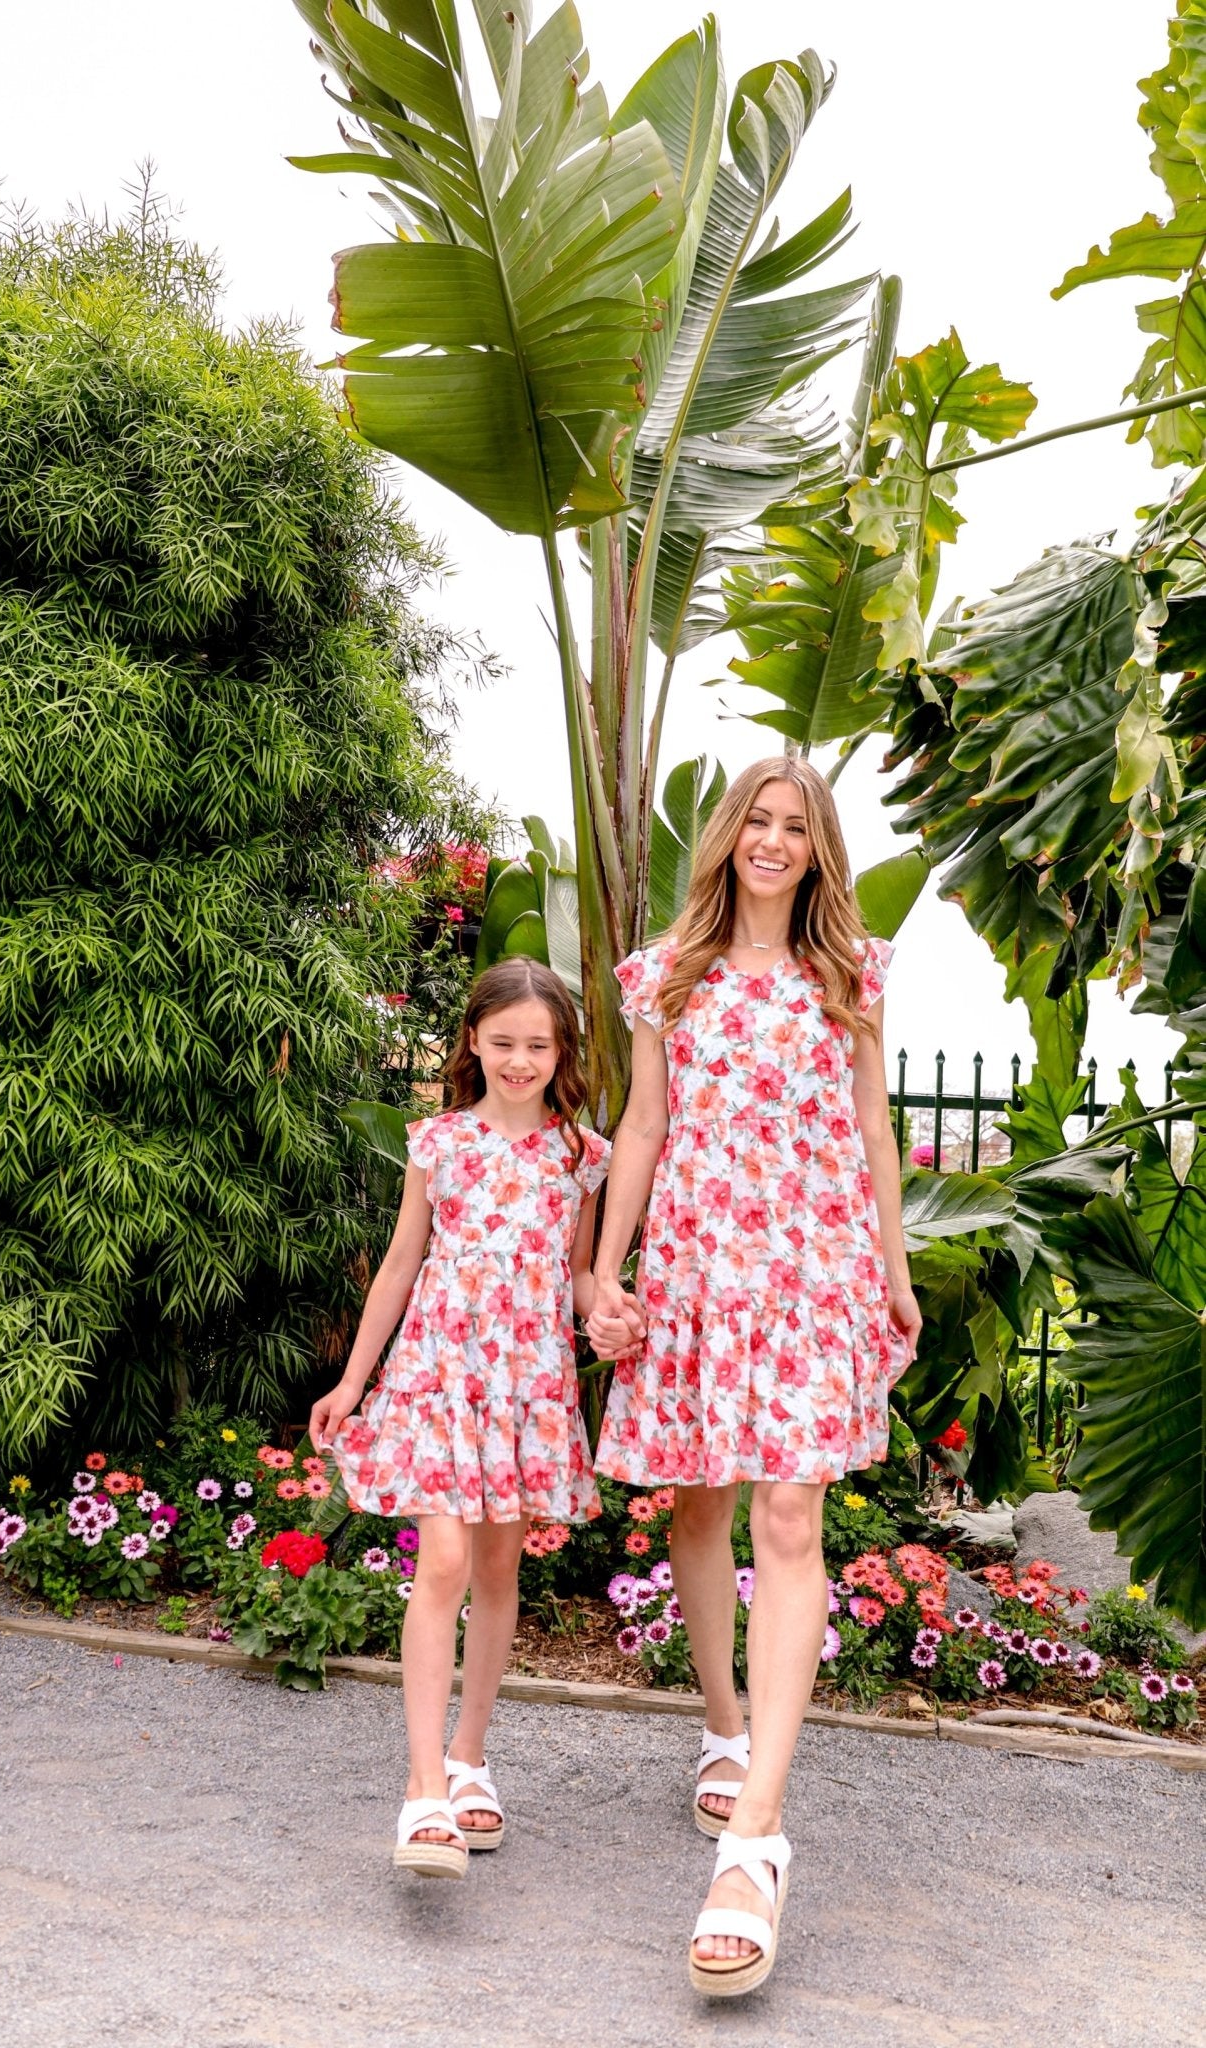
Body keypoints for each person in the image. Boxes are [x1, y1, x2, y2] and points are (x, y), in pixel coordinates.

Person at [586, 756, 921, 1997]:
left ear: (819, 848)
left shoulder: (853, 972)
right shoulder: (664, 973)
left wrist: (894, 1265)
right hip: (695, 1266)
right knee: (702, 1504)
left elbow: (877, 1124)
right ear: (728, 837)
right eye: (758, 823)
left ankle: (755, 1839)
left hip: (813, 1261)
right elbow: (642, 1128)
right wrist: (608, 1269)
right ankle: (724, 1726)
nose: (774, 842)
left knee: (790, 1510)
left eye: (798, 827)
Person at [311, 958, 612, 1881]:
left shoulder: (580, 1155)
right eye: (501, 1042)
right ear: (471, 1041)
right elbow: (401, 1265)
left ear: (559, 1049)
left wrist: (610, 1311)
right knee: (442, 1561)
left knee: (495, 1566)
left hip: (524, 1386)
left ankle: (469, 1759)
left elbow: (579, 1276)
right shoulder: (437, 1142)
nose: (518, 1060)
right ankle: (421, 1790)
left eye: (536, 1044)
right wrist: (353, 1384)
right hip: (438, 1376)